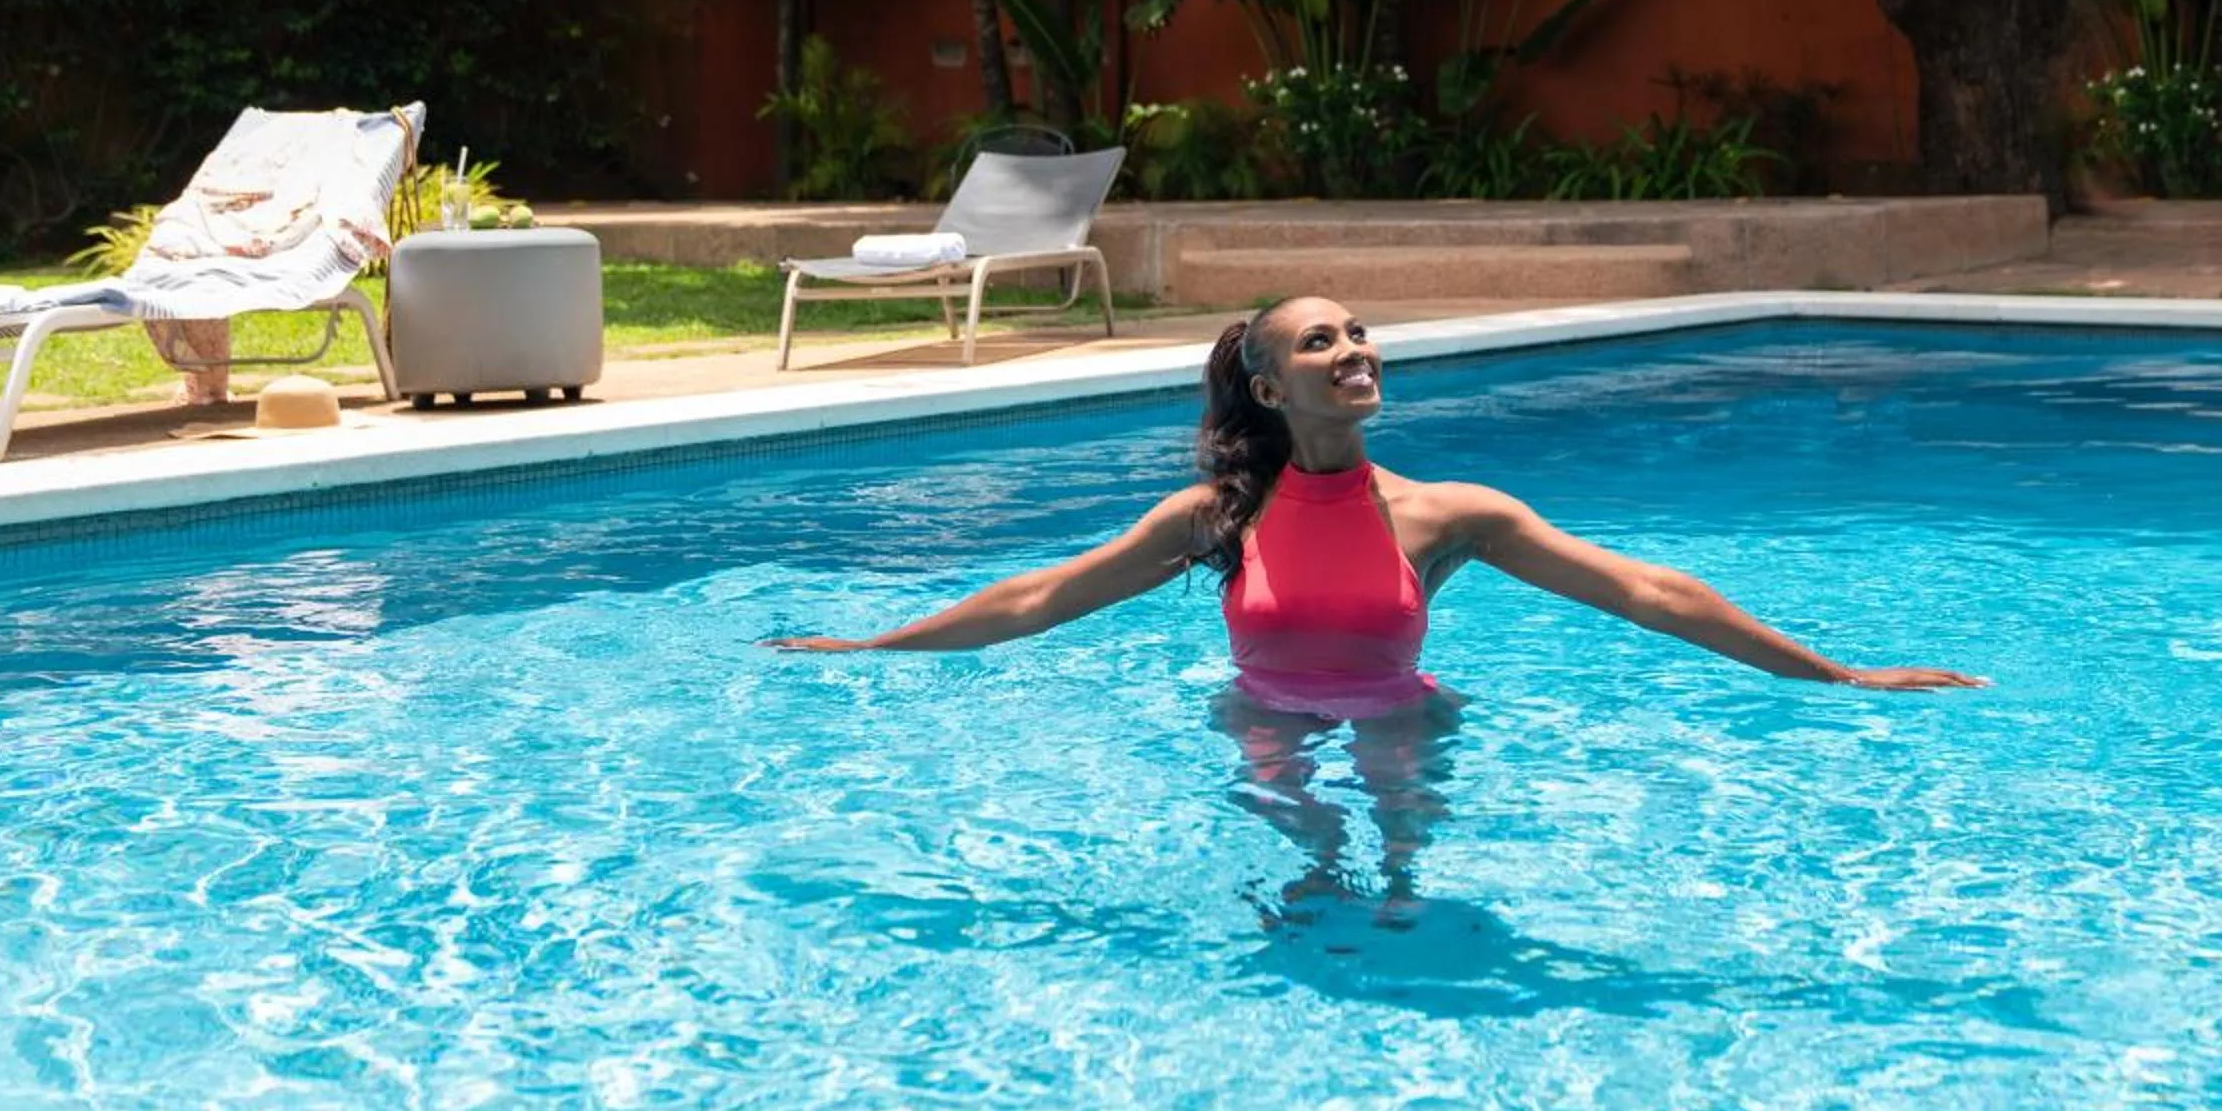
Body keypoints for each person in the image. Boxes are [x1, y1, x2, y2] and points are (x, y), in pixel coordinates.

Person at [765, 295, 1985, 704]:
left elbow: (1648, 593)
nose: (1356, 350)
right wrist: (871, 643)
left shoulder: (1450, 513)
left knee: (1400, 884)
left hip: (1405, 721)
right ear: (1266, 380)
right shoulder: (1215, 517)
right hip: (1265, 728)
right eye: (1320, 341)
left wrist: (1839, 675)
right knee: (1299, 877)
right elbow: (1041, 595)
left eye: (1359, 333)